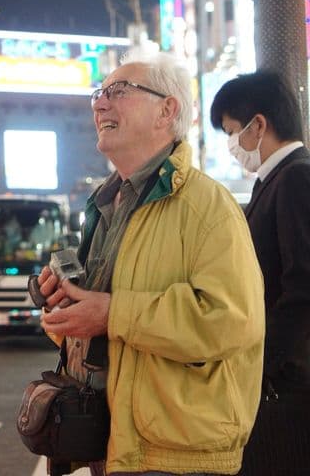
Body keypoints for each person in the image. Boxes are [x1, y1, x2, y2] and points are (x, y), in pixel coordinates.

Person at [35, 51, 264, 476]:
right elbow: (102, 330)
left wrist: (110, 313)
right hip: (112, 441)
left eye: (118, 91)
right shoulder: (107, 202)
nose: (100, 104)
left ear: (167, 109)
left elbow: (231, 319)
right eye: (98, 94)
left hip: (176, 453)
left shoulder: (207, 205)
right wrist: (65, 312)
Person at [210, 71, 310, 475]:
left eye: (232, 131)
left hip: (287, 385)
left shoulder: (296, 178)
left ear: (259, 125)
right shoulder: (273, 181)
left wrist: (263, 365)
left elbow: (303, 284)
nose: (232, 145)